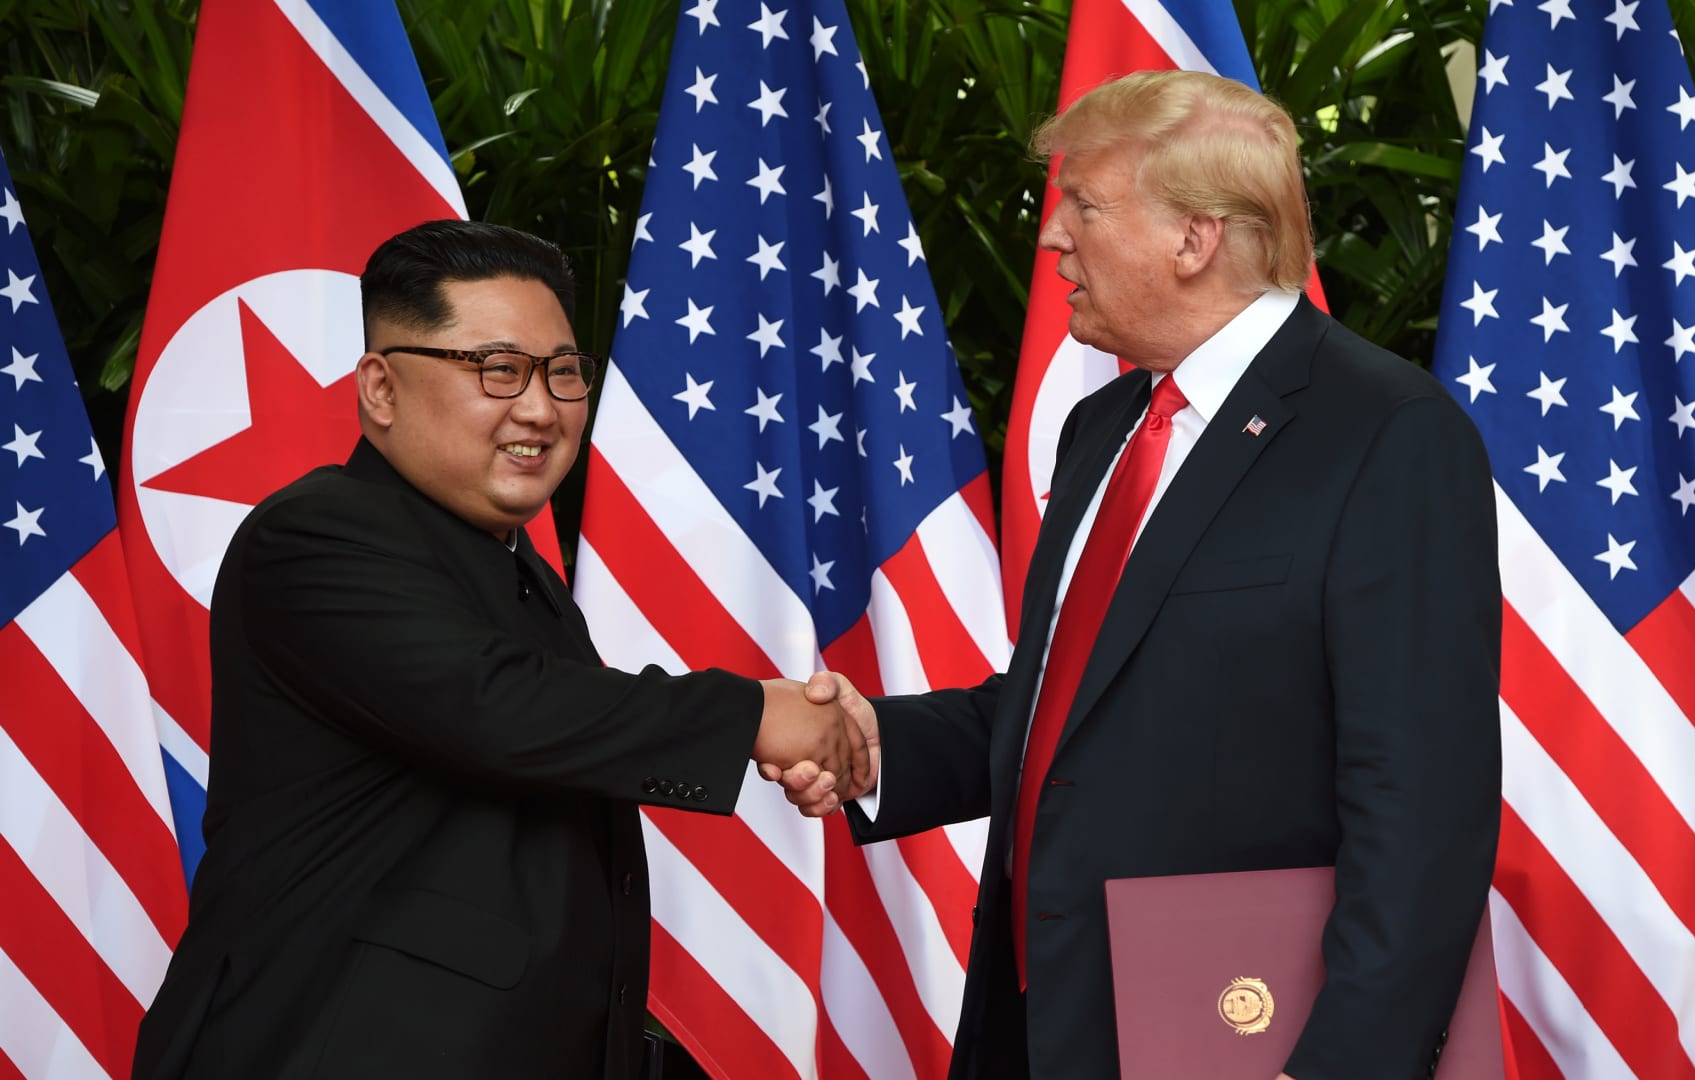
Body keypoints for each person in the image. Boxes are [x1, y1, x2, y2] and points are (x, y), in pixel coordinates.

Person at [773, 70, 1502, 1080]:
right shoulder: (1103, 426)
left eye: (1084, 205)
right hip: (1040, 1018)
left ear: (1195, 238)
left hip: (1243, 1038)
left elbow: (1422, 806)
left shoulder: (1388, 433)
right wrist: (874, 749)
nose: (1052, 237)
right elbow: (1074, 708)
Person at [131, 219, 866, 1080]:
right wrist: (755, 717)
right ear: (381, 389)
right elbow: (497, 708)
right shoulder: (313, 534)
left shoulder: (520, 574)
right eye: (498, 369)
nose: (541, 409)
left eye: (563, 371)